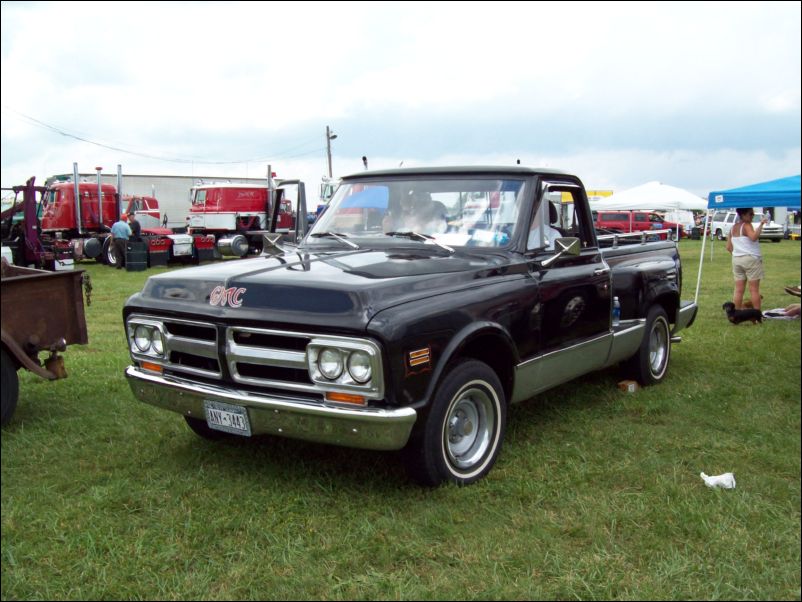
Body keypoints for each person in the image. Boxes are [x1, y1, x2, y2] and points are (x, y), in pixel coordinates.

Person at [725, 207, 768, 310]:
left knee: (739, 290)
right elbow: (753, 237)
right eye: (750, 214)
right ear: (743, 215)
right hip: (750, 258)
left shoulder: (733, 228)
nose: (752, 216)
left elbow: (728, 247)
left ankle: (736, 313)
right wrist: (761, 225)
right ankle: (757, 314)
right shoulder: (747, 225)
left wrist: (738, 254)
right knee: (754, 290)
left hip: (736, 259)